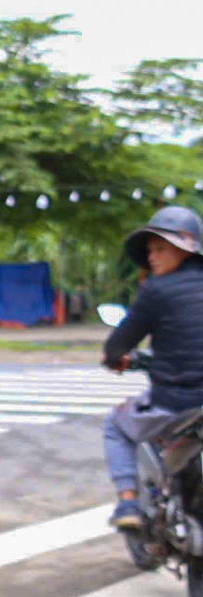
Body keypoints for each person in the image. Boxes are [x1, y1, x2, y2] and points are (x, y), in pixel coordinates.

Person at [101, 207, 203, 557]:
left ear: (185, 249)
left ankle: (128, 504)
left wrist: (116, 358)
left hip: (177, 404)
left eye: (161, 248)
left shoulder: (157, 291)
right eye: (150, 250)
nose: (152, 256)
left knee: (116, 424)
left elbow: (117, 345)